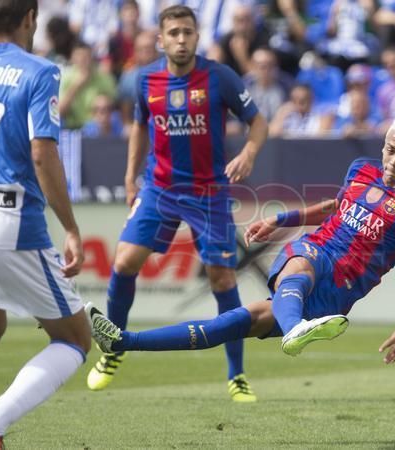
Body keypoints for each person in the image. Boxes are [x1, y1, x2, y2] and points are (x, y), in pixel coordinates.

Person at [87, 115, 395, 373]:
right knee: (301, 264)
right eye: (389, 149)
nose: (392, 160)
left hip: (340, 290)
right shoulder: (361, 168)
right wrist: (280, 220)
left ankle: (121, 342)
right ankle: (295, 329)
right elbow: (336, 208)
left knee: (227, 325)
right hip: (318, 249)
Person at [85, 5, 269, 403]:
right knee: (122, 262)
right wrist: (130, 174)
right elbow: (139, 126)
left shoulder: (218, 76)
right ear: (161, 39)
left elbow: (257, 121)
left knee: (222, 280)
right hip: (160, 189)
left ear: (197, 36)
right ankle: (114, 348)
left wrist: (250, 152)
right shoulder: (144, 79)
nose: (181, 39)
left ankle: (236, 375)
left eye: (187, 32)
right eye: (174, 33)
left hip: (208, 194)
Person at [0, 0, 94, 447]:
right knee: (74, 339)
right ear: (32, 19)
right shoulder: (40, 72)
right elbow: (42, 152)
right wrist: (70, 226)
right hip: (10, 221)